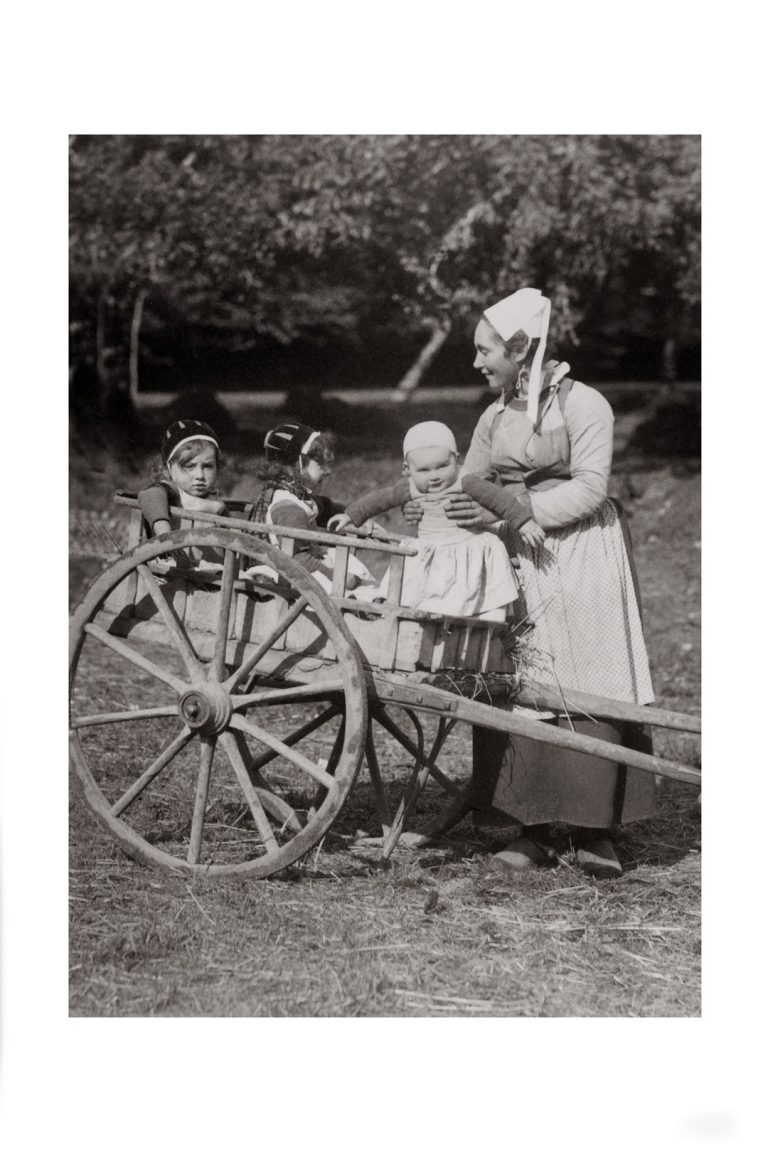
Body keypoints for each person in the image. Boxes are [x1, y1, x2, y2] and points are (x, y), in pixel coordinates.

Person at [423, 288, 655, 879]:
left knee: (587, 675)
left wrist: (515, 509)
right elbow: (468, 481)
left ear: (521, 348)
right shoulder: (494, 416)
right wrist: (432, 508)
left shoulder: (586, 405)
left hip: (580, 553)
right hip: (516, 560)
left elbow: (591, 488)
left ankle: (593, 830)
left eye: (485, 351)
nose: (477, 363)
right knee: (522, 678)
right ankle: (529, 829)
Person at [331, 420, 520, 620]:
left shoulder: (466, 481)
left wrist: (524, 522)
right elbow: (379, 499)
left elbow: (499, 498)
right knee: (421, 590)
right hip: (431, 547)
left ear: (456, 460)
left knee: (475, 593)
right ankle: (416, 624)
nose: (434, 476)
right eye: (424, 470)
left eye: (442, 466)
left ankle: (480, 626)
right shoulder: (408, 487)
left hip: (466, 545)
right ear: (407, 468)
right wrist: (350, 515)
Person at [250, 422, 376, 594]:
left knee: (346, 562)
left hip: (307, 563)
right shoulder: (288, 508)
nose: (328, 471)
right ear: (296, 464)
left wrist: (356, 516)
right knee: (347, 580)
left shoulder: (298, 496)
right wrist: (338, 576)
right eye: (321, 464)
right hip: (295, 575)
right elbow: (299, 559)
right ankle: (366, 605)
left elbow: (327, 507)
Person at [138, 419, 227, 535]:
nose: (200, 475)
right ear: (168, 470)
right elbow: (149, 494)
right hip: (170, 550)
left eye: (207, 466)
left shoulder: (214, 498)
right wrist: (162, 527)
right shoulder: (173, 491)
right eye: (189, 467)